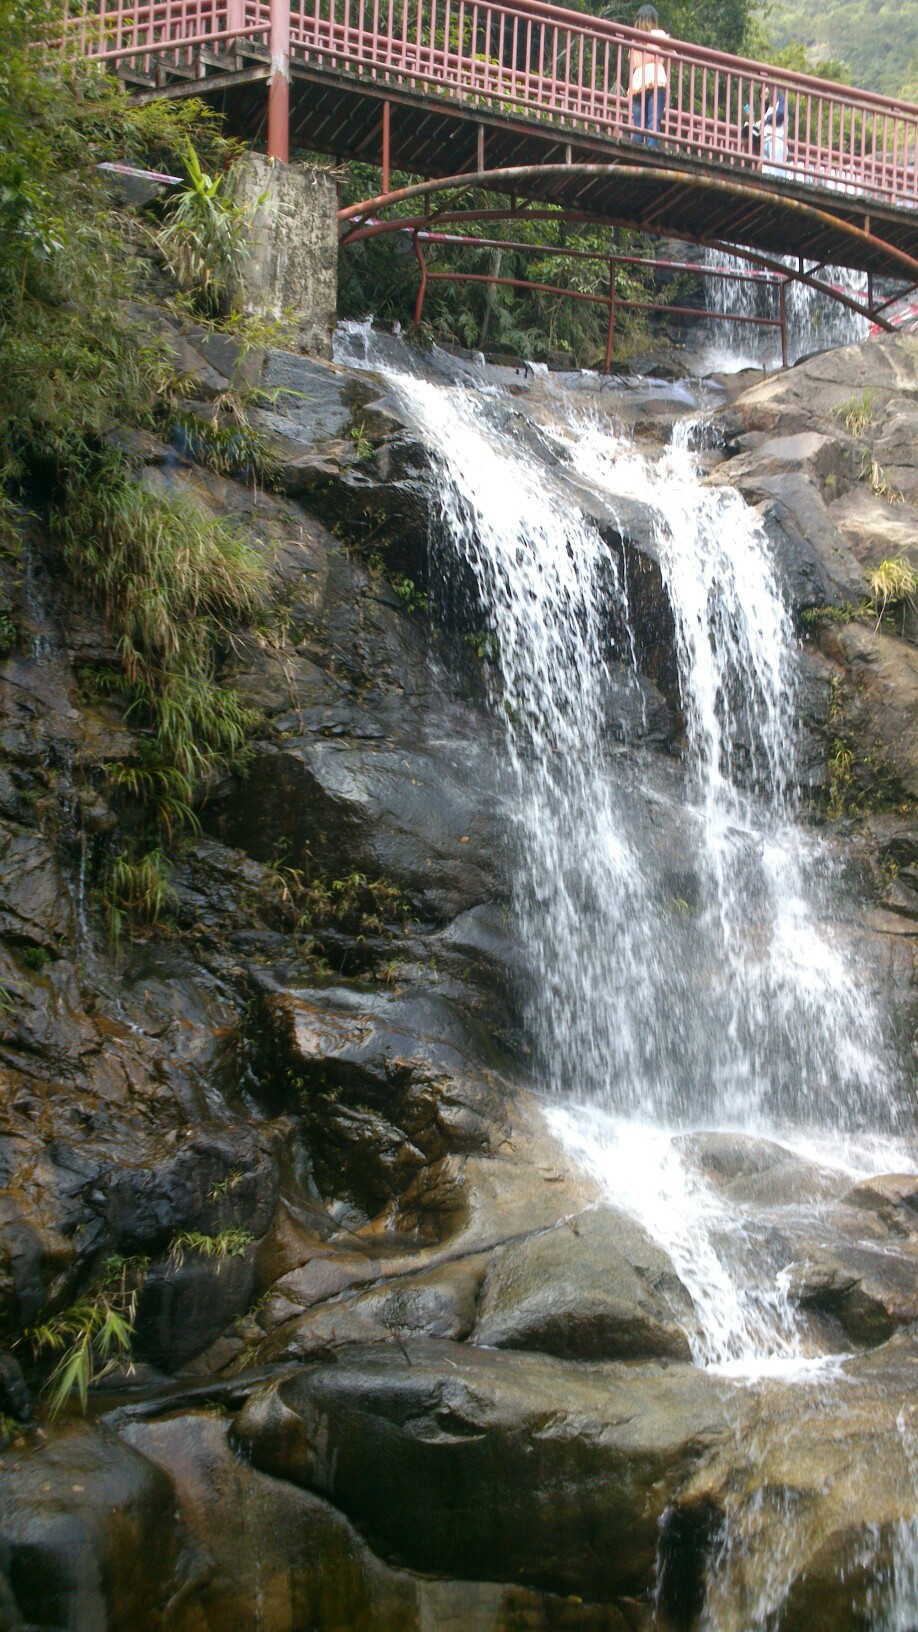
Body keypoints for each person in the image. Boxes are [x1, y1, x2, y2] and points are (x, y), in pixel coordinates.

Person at [629, 5, 669, 149]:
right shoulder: (659, 34)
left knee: (638, 123)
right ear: (653, 20)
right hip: (656, 79)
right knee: (653, 122)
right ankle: (652, 150)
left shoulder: (635, 40)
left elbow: (633, 63)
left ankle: (635, 150)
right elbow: (674, 55)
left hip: (638, 83)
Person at [762, 88, 786, 174]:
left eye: (766, 94)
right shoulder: (768, 107)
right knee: (765, 176)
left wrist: (766, 119)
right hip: (765, 142)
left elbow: (780, 115)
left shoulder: (782, 101)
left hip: (776, 141)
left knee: (777, 175)